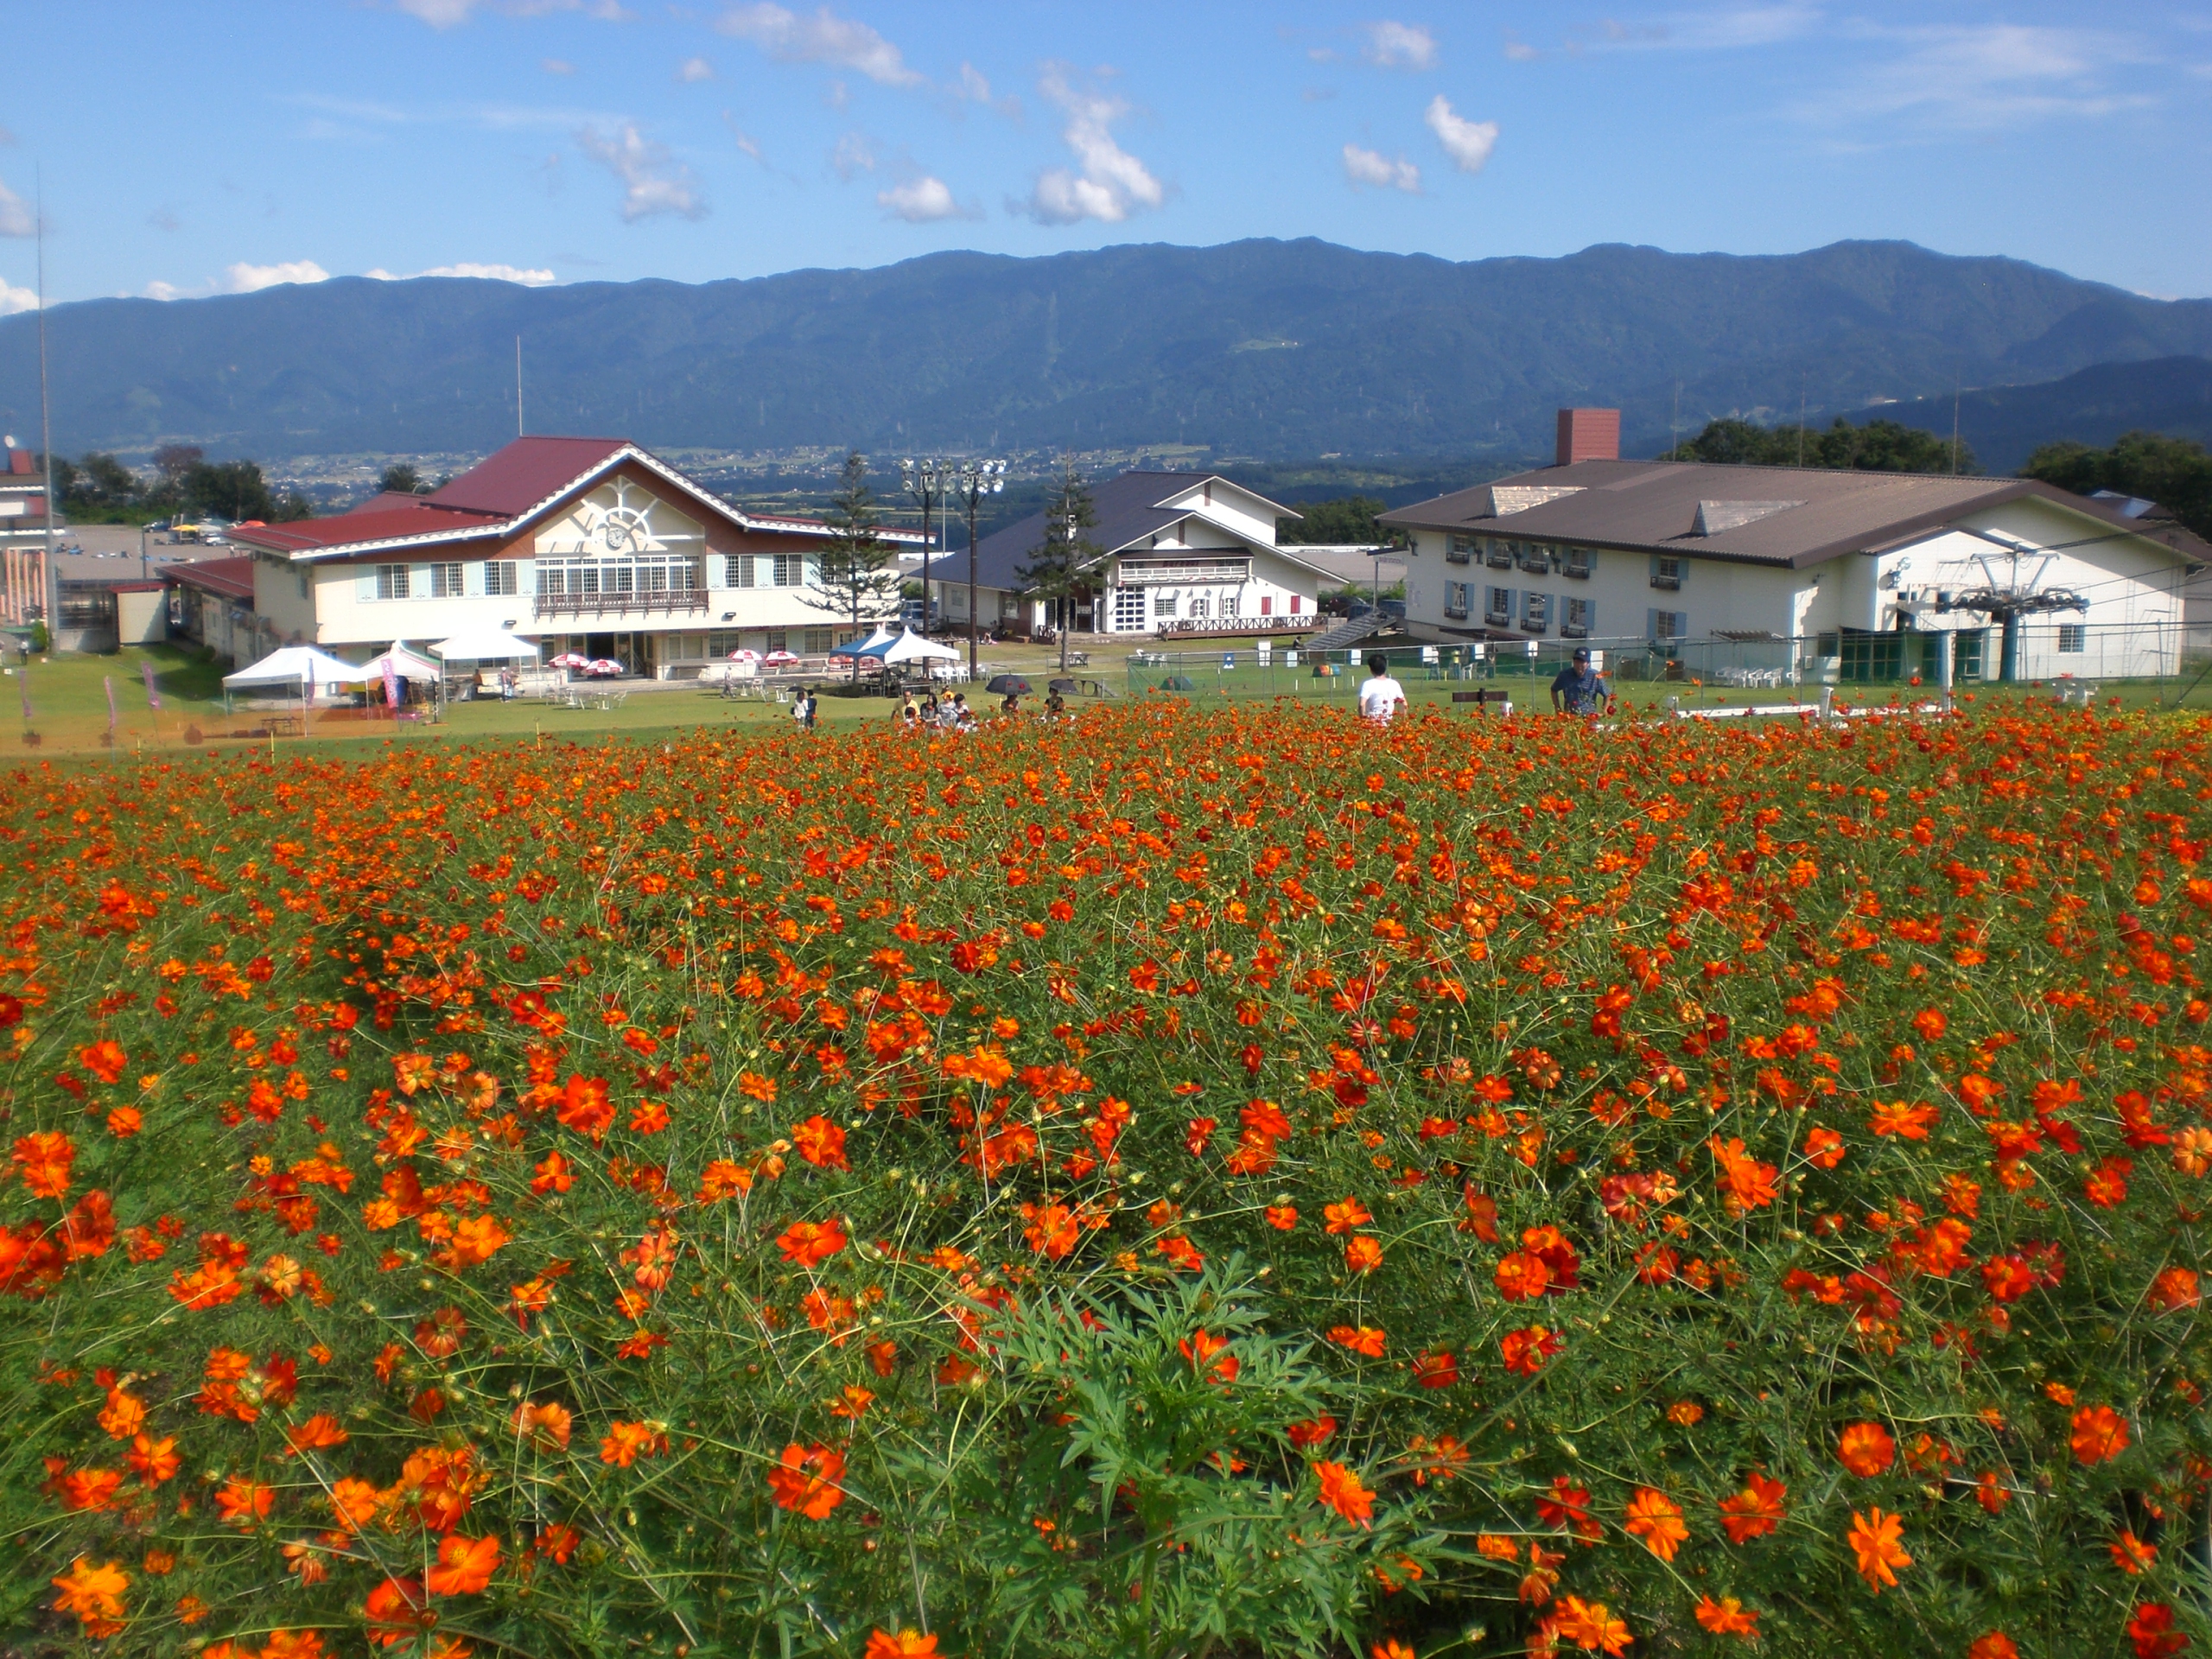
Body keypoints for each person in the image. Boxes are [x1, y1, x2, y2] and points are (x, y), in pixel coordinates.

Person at [1549, 648, 1611, 716]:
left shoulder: (1596, 676)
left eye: (1582, 662)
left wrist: (1604, 711)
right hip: (1570, 716)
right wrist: (1558, 709)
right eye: (1577, 662)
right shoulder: (1565, 675)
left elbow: (1608, 694)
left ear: (1588, 663)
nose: (1579, 665)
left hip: (1589, 717)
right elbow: (1554, 690)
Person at [1357, 652, 1406, 725]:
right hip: (1388, 724)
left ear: (1371, 669)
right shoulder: (1394, 684)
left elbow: (1362, 705)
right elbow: (1404, 705)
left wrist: (1363, 720)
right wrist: (1401, 722)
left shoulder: (1368, 684)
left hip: (1372, 724)